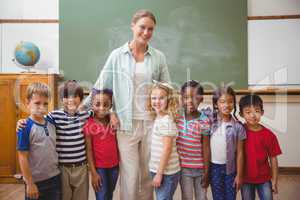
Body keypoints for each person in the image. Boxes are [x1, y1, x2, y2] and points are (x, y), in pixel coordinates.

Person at [82, 9, 171, 200]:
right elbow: (100, 85)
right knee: (130, 175)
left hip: (151, 123)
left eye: (150, 29)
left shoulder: (159, 57)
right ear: (133, 26)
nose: (146, 32)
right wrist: (79, 111)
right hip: (124, 124)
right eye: (142, 27)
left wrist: (171, 113)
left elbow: (167, 88)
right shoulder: (117, 55)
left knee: (148, 172)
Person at [17, 80, 90, 200]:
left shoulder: (84, 115)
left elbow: (99, 112)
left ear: (81, 99)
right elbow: (37, 120)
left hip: (57, 175)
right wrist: (20, 122)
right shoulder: (53, 117)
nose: (42, 107)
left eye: (45, 104)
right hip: (56, 171)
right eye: (66, 96)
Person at [17, 82, 61, 200]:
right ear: (27, 103)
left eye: (45, 104)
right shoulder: (25, 127)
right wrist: (30, 183)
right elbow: (22, 157)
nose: (42, 107)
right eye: (37, 103)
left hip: (55, 178)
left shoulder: (52, 123)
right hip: (35, 182)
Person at [239, 94, 282, 200]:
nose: (253, 115)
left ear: (262, 112)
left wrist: (274, 180)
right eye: (248, 112)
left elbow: (273, 158)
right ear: (241, 114)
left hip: (264, 178)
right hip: (245, 178)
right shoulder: (239, 131)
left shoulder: (269, 135)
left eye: (257, 111)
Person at [209, 86, 246, 200]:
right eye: (222, 102)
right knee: (218, 197)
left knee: (230, 197)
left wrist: (239, 175)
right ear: (216, 104)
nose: (226, 105)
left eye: (230, 102)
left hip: (231, 169)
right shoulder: (210, 122)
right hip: (214, 168)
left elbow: (240, 153)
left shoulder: (238, 127)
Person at [176, 80, 210, 200]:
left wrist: (207, 172)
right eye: (185, 97)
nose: (189, 101)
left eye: (194, 98)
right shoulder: (177, 117)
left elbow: (206, 147)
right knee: (187, 197)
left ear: (201, 99)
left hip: (200, 169)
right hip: (184, 169)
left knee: (202, 197)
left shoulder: (204, 120)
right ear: (181, 98)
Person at [147, 81, 181, 200]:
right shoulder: (158, 117)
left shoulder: (166, 121)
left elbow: (167, 149)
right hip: (158, 170)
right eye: (154, 98)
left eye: (161, 98)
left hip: (167, 173)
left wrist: (159, 174)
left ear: (169, 100)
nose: (157, 101)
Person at [83, 88, 119, 200]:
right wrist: (93, 173)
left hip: (114, 166)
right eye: (97, 104)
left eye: (106, 105)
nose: (102, 108)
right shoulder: (89, 124)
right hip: (99, 168)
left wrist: (113, 115)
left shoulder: (113, 121)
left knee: (109, 194)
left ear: (110, 106)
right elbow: (88, 150)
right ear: (92, 104)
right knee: (102, 196)